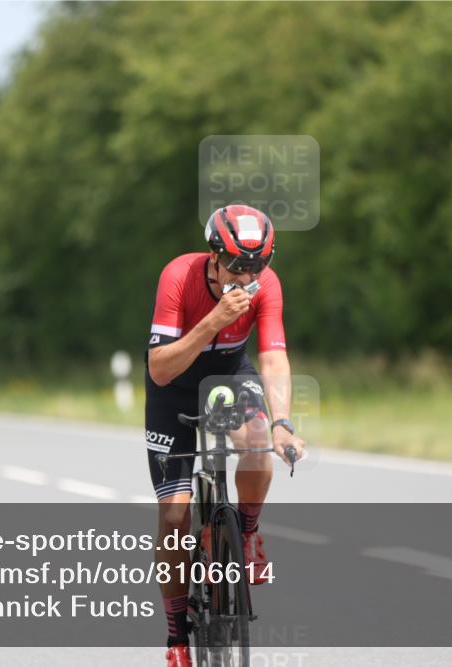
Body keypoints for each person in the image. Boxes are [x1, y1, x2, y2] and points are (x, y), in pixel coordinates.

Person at [145, 204, 305, 667]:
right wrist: (215, 318)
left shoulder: (265, 286)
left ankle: (247, 534)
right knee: (174, 519)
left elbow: (274, 357)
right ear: (213, 257)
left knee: (257, 444)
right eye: (237, 265)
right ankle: (176, 637)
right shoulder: (178, 275)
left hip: (231, 375)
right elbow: (159, 368)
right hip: (173, 385)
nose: (248, 275)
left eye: (259, 265)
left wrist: (282, 422)